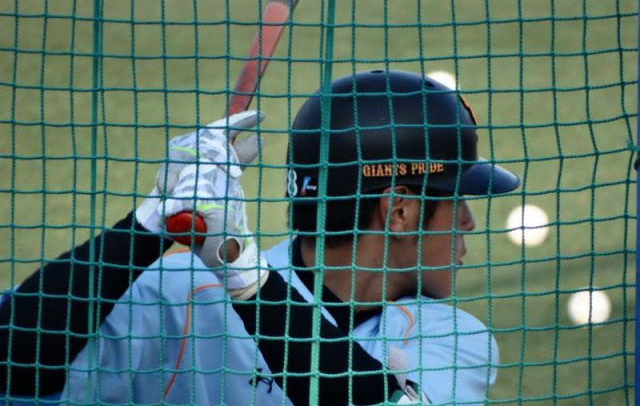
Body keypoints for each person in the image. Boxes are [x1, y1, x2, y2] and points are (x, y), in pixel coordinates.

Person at [0, 69, 520, 405]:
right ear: (400, 211)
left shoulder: (455, 339)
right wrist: (146, 227)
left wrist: (244, 276)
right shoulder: (181, 292)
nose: (468, 221)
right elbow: (12, 360)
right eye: (457, 199)